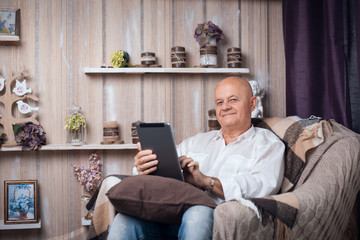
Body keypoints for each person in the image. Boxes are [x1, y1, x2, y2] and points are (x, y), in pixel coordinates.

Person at [107, 77, 285, 239]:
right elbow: (164, 163)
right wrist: (143, 166)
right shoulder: (197, 141)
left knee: (197, 214)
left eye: (233, 99)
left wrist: (207, 182)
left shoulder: (268, 144)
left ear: (252, 103)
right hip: (174, 212)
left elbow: (261, 185)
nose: (225, 107)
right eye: (219, 102)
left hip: (216, 217)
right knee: (124, 221)